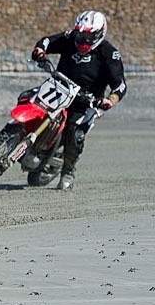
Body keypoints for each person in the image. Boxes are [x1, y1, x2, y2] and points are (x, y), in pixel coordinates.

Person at [26, 10, 127, 190]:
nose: (82, 40)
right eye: (80, 34)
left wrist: (110, 100)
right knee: (27, 98)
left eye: (88, 36)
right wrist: (40, 49)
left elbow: (120, 85)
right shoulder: (70, 38)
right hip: (59, 88)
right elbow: (48, 41)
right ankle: (18, 135)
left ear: (99, 33)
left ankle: (68, 172)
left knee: (75, 133)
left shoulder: (109, 54)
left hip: (86, 102)